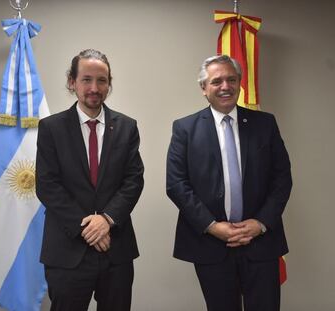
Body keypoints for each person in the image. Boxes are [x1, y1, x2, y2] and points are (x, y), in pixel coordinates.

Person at [166, 55, 292, 311]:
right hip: (211, 244)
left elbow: (282, 178)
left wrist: (260, 223)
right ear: (204, 88)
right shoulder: (185, 128)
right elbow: (176, 184)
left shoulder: (265, 123)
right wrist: (212, 226)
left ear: (240, 84)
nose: (225, 86)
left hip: (260, 241)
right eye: (217, 81)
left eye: (231, 79)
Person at [36, 49, 144, 311]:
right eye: (86, 79)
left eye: (102, 80)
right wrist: (89, 228)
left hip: (116, 250)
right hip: (67, 250)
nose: (94, 88)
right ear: (72, 82)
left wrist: (106, 220)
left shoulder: (127, 126)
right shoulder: (51, 128)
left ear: (109, 83)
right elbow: (48, 186)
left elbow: (134, 180)